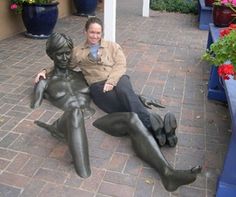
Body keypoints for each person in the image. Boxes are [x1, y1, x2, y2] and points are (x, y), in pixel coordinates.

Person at [35, 16, 177, 148]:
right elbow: (63, 64)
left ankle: (152, 129)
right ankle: (162, 130)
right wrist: (45, 71)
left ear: (102, 33)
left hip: (119, 79)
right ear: (85, 32)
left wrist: (111, 81)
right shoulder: (78, 52)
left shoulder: (112, 46)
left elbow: (121, 65)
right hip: (97, 86)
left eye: (98, 33)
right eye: (92, 32)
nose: (95, 36)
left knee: (125, 93)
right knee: (119, 108)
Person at [31, 32, 96, 178]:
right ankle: (84, 172)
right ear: (51, 55)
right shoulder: (45, 81)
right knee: (74, 112)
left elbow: (102, 86)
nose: (65, 58)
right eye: (59, 54)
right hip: (68, 118)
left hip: (92, 117)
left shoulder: (81, 75)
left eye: (67, 53)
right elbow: (34, 107)